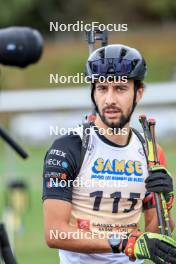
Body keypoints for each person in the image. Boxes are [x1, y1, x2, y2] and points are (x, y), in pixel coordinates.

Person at [42, 44, 176, 264]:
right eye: (102, 88)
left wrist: (165, 205)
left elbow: (156, 234)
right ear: (93, 93)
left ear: (138, 93)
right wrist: (123, 242)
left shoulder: (151, 151)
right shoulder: (69, 148)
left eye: (120, 88)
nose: (110, 99)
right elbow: (54, 233)